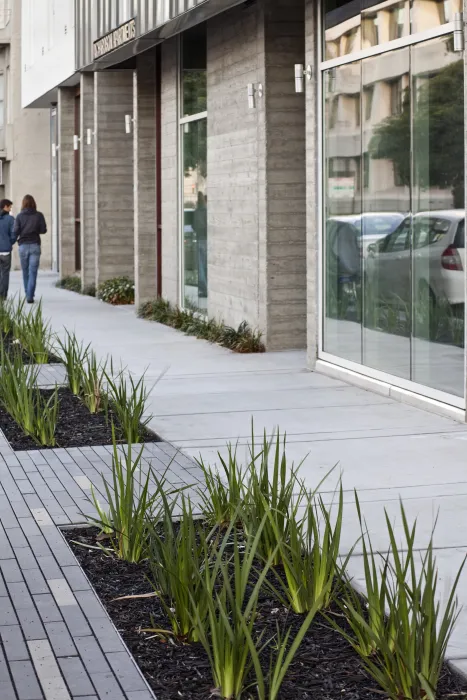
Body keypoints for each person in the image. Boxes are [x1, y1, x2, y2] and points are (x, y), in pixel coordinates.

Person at [14, 195, 47, 303]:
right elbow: (43, 230)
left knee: (25, 272)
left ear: (23, 204)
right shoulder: (39, 215)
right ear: (34, 203)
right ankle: (30, 295)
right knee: (33, 272)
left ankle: (28, 293)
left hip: (23, 246)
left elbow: (16, 231)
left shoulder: (19, 216)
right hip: (35, 245)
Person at [0, 199, 16, 300]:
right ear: (5, 206)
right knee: (5, 274)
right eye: (10, 207)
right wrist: (10, 243)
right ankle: (3, 295)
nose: (10, 209)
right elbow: (13, 234)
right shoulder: (10, 219)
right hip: (6, 251)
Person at [193, 191, 207, 298]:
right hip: (205, 239)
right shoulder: (206, 211)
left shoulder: (197, 211)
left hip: (200, 238)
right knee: (204, 265)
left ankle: (203, 289)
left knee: (201, 265)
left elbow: (194, 225)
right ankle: (205, 289)